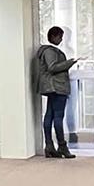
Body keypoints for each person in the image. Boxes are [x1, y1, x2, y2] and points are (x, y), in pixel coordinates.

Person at [32, 25, 78, 158]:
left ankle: (49, 146)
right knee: (58, 117)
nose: (61, 39)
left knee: (49, 116)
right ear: (53, 36)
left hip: (52, 87)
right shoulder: (50, 51)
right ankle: (62, 146)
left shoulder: (47, 51)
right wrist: (70, 63)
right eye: (60, 37)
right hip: (57, 86)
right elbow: (52, 67)